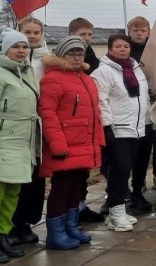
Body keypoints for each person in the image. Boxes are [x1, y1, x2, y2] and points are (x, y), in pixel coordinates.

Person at [39, 36, 105, 249]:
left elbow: (95, 115)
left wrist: (98, 142)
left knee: (77, 185)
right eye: (72, 53)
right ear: (61, 55)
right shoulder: (53, 78)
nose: (77, 57)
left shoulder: (85, 78)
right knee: (61, 188)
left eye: (80, 53)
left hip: (84, 145)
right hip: (65, 145)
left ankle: (71, 226)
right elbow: (47, 113)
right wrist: (57, 144)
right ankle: (55, 233)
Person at [91, 34, 149, 232]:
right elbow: (101, 101)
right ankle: (115, 213)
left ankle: (121, 210)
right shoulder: (104, 71)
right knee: (119, 172)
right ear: (109, 48)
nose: (122, 49)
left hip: (136, 128)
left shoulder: (135, 68)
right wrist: (107, 127)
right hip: (117, 129)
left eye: (126, 46)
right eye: (118, 46)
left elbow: (142, 98)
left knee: (126, 171)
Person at [7, 18, 48, 248]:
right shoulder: (11, 61)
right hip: (16, 130)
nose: (32, 37)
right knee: (15, 179)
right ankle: (11, 223)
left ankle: (26, 222)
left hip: (39, 130)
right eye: (27, 32)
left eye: (36, 32)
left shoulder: (47, 61)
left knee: (35, 179)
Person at [0, 29, 39, 261]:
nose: (22, 51)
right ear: (6, 49)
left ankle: (3, 234)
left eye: (24, 47)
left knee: (13, 192)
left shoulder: (27, 72)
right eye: (16, 47)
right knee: (1, 191)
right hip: (5, 140)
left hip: (23, 141)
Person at [67, 18, 104, 224]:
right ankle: (69, 212)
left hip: (88, 121)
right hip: (71, 122)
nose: (87, 39)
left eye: (90, 34)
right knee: (68, 176)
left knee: (83, 171)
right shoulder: (66, 60)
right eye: (83, 35)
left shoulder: (93, 60)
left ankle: (80, 206)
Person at [126, 17, 154, 212]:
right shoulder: (123, 51)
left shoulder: (153, 51)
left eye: (142, 30)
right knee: (124, 157)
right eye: (135, 30)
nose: (139, 33)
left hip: (147, 110)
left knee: (143, 155)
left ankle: (138, 190)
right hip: (126, 112)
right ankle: (116, 194)